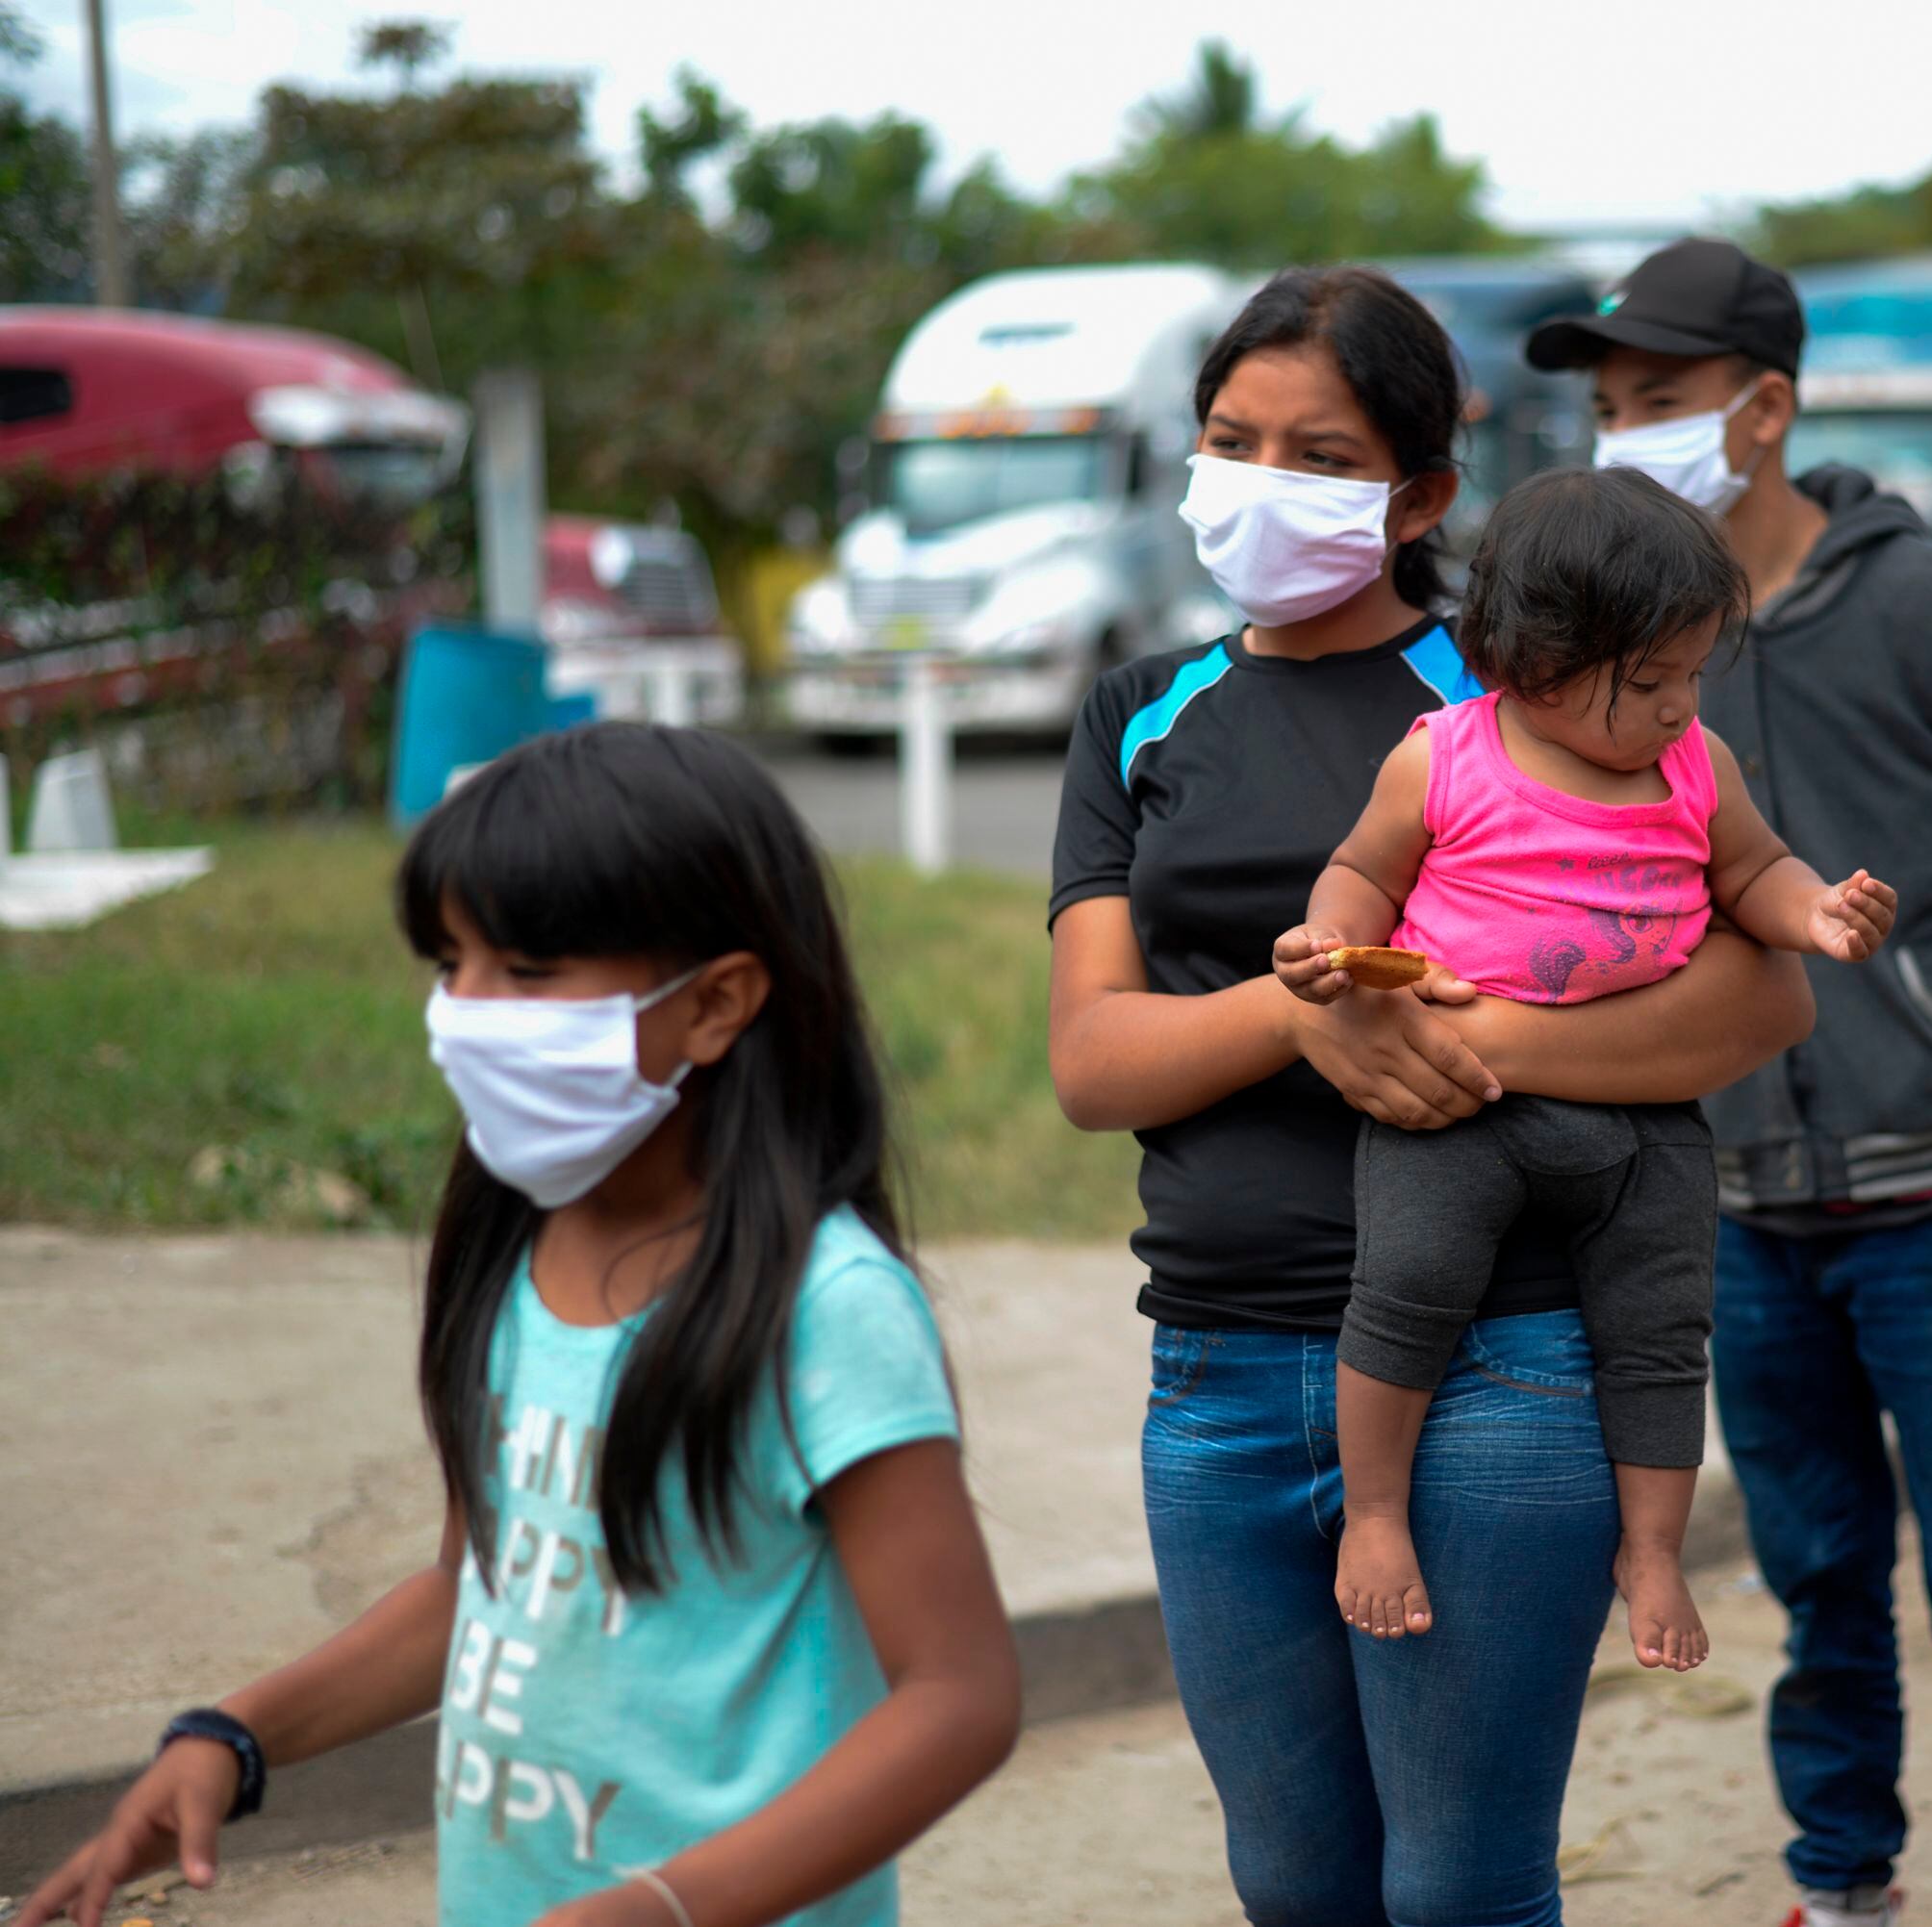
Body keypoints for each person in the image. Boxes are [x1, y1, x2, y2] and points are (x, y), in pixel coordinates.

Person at [1050, 265, 1815, 1927]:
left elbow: (1764, 993)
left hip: (1505, 1357)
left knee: (1460, 1885)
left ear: (1421, 495)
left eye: (1320, 456)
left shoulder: (1534, 687)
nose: (1258, 481)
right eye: (1230, 439)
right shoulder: (1139, 711)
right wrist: (1302, 1012)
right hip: (1218, 1367)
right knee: (1293, 1882)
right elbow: (1093, 1062)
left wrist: (1487, 1041)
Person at [18, 724, 1024, 1927]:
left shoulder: (828, 1310)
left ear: (716, 1003)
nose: (468, 1012)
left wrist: (662, 1906)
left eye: (531, 969)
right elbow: (475, 1588)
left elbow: (959, 1695)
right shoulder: (513, 1250)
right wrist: (232, 1734)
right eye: (454, 962)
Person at [1526, 240, 1932, 1927]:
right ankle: (1844, 1882)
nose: (1625, 435)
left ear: (1767, 406)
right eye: (1605, 409)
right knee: (1819, 1585)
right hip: (1735, 1211)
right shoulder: (1606, 645)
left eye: (1657, 400)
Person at [1276, 465, 1897, 1667]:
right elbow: (1359, 872)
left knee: (1661, 1330)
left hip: (1646, 1112)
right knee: (1406, 1286)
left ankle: (1653, 1548)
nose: (1680, 705)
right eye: (1652, 680)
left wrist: (1817, 911)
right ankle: (1376, 1512)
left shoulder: (1697, 763)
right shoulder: (1443, 758)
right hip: (1459, 1102)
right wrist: (1328, 943)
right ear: (1537, 663)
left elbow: (1754, 872)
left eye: (1695, 674)